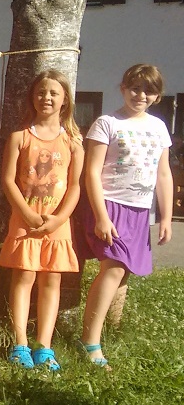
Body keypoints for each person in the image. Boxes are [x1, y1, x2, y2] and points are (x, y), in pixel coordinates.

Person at [79, 64, 174, 369]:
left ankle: (113, 327)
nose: (140, 95)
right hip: (109, 205)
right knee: (114, 269)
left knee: (125, 271)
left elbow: (163, 174)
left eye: (148, 91)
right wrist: (101, 216)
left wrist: (166, 217)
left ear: (157, 96)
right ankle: (90, 342)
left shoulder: (159, 127)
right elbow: (91, 172)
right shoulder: (107, 123)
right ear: (123, 88)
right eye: (135, 88)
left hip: (140, 209)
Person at [0, 71, 84, 371]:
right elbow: (8, 180)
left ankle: (44, 346)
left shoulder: (73, 142)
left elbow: (75, 186)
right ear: (32, 97)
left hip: (57, 224)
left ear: (65, 100)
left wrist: (58, 219)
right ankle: (20, 343)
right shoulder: (19, 137)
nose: (46, 98)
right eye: (41, 92)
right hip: (25, 220)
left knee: (52, 280)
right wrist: (28, 214)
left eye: (53, 93)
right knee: (23, 277)